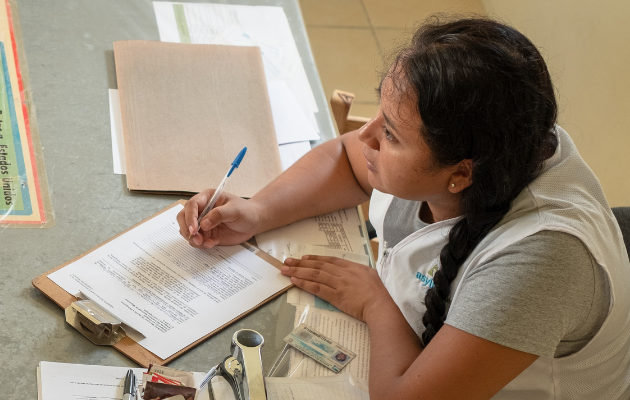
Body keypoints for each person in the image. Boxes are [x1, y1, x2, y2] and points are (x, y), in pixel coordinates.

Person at [179, 18, 629, 399]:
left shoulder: (540, 262)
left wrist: (376, 302)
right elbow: (344, 160)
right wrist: (258, 211)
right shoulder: (495, 137)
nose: (366, 135)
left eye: (390, 134)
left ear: (460, 175)